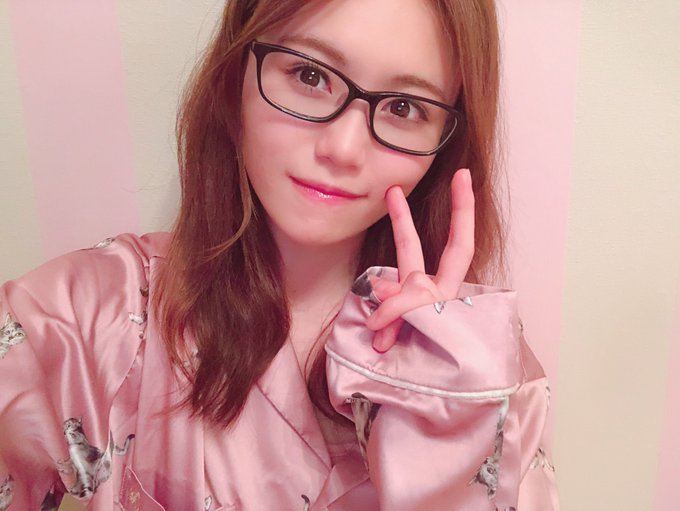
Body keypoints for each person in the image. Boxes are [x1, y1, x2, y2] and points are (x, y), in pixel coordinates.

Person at [0, 0, 560, 509]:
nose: (343, 148)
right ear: (236, 74)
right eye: (310, 75)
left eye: (403, 106)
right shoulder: (88, 317)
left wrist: (449, 440)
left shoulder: (481, 368)